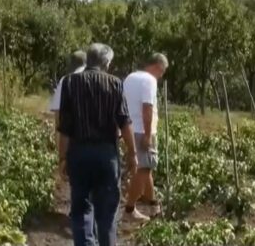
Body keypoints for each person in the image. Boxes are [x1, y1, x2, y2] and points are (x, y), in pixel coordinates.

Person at [57, 43, 138, 246]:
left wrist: (62, 157)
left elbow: (65, 126)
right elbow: (124, 121)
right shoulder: (114, 84)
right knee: (107, 212)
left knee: (81, 208)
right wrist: (132, 153)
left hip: (79, 152)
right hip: (106, 155)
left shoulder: (70, 83)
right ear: (106, 63)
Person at [123, 53, 169, 221]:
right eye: (162, 71)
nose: (161, 75)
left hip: (128, 128)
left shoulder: (130, 77)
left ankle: (152, 203)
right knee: (144, 168)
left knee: (144, 166)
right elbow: (147, 108)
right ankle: (129, 210)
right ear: (157, 66)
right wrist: (148, 134)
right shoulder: (150, 80)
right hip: (142, 130)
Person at [49, 50, 87, 128]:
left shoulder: (65, 80)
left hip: (70, 131)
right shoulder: (94, 79)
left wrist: (58, 132)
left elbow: (57, 111)